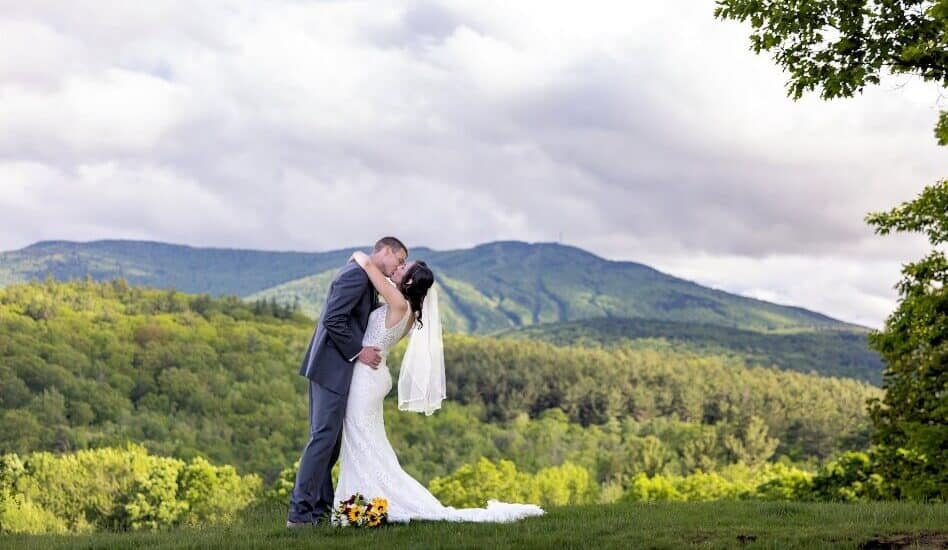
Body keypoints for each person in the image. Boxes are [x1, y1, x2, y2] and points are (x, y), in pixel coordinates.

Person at [333, 249, 544, 523]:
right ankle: (360, 502)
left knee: (362, 442)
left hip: (366, 379)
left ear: (408, 284)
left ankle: (359, 506)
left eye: (403, 267)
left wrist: (360, 256)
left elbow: (373, 272)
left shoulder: (399, 303)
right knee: (367, 442)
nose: (397, 268)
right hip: (373, 375)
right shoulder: (409, 312)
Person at [286, 237, 407, 527]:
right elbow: (333, 319)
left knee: (331, 443)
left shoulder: (365, 275)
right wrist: (359, 350)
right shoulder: (355, 276)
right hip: (331, 369)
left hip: (338, 371)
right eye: (399, 260)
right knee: (323, 439)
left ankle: (319, 510)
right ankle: (300, 513)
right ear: (385, 251)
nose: (398, 267)